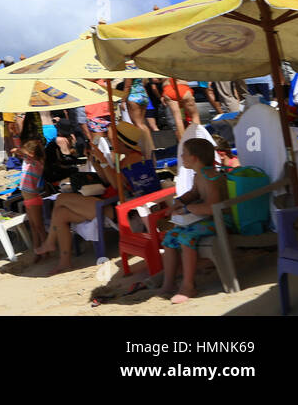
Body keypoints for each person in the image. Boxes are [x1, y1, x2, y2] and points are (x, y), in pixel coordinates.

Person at [35, 120, 158, 273]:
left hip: (113, 208)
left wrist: (104, 160)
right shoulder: (127, 158)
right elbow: (107, 179)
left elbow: (115, 185)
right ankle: (64, 261)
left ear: (122, 142)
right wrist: (97, 162)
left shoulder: (133, 159)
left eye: (114, 140)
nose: (111, 142)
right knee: (61, 214)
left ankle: (50, 242)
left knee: (61, 199)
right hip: (109, 204)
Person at [160, 138, 228, 304]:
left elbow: (213, 208)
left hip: (221, 222)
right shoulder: (200, 175)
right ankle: (168, 283)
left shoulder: (211, 177)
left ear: (195, 158)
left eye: (184, 154)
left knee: (185, 237)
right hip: (207, 221)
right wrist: (179, 202)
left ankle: (188, 285)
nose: (181, 157)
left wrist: (188, 209)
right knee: (169, 238)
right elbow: (193, 193)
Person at [14, 139, 46, 250]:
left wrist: (22, 150)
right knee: (33, 227)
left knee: (39, 227)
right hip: (28, 199)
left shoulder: (36, 163)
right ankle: (37, 248)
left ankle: (45, 249)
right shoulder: (28, 161)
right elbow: (20, 152)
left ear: (32, 153)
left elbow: (22, 152)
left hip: (34, 199)